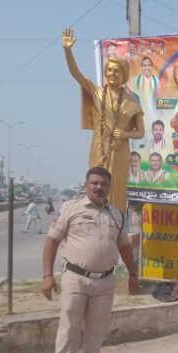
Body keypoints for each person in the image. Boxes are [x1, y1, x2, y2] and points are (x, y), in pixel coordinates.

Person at [42, 166, 138, 353]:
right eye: (94, 183)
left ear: (109, 187)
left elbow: (124, 246)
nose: (99, 187)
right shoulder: (70, 209)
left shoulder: (116, 214)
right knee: (69, 332)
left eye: (103, 184)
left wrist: (133, 273)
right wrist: (47, 276)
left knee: (96, 333)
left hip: (105, 282)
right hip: (76, 279)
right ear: (86, 185)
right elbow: (52, 241)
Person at [62, 27, 145, 214]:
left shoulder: (132, 101)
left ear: (123, 75)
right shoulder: (97, 92)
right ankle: (95, 216)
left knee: (116, 187)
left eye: (117, 71)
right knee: (96, 183)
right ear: (106, 73)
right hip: (99, 146)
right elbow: (76, 74)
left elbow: (140, 132)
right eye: (110, 71)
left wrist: (125, 134)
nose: (113, 74)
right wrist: (67, 50)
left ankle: (116, 222)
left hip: (120, 150)